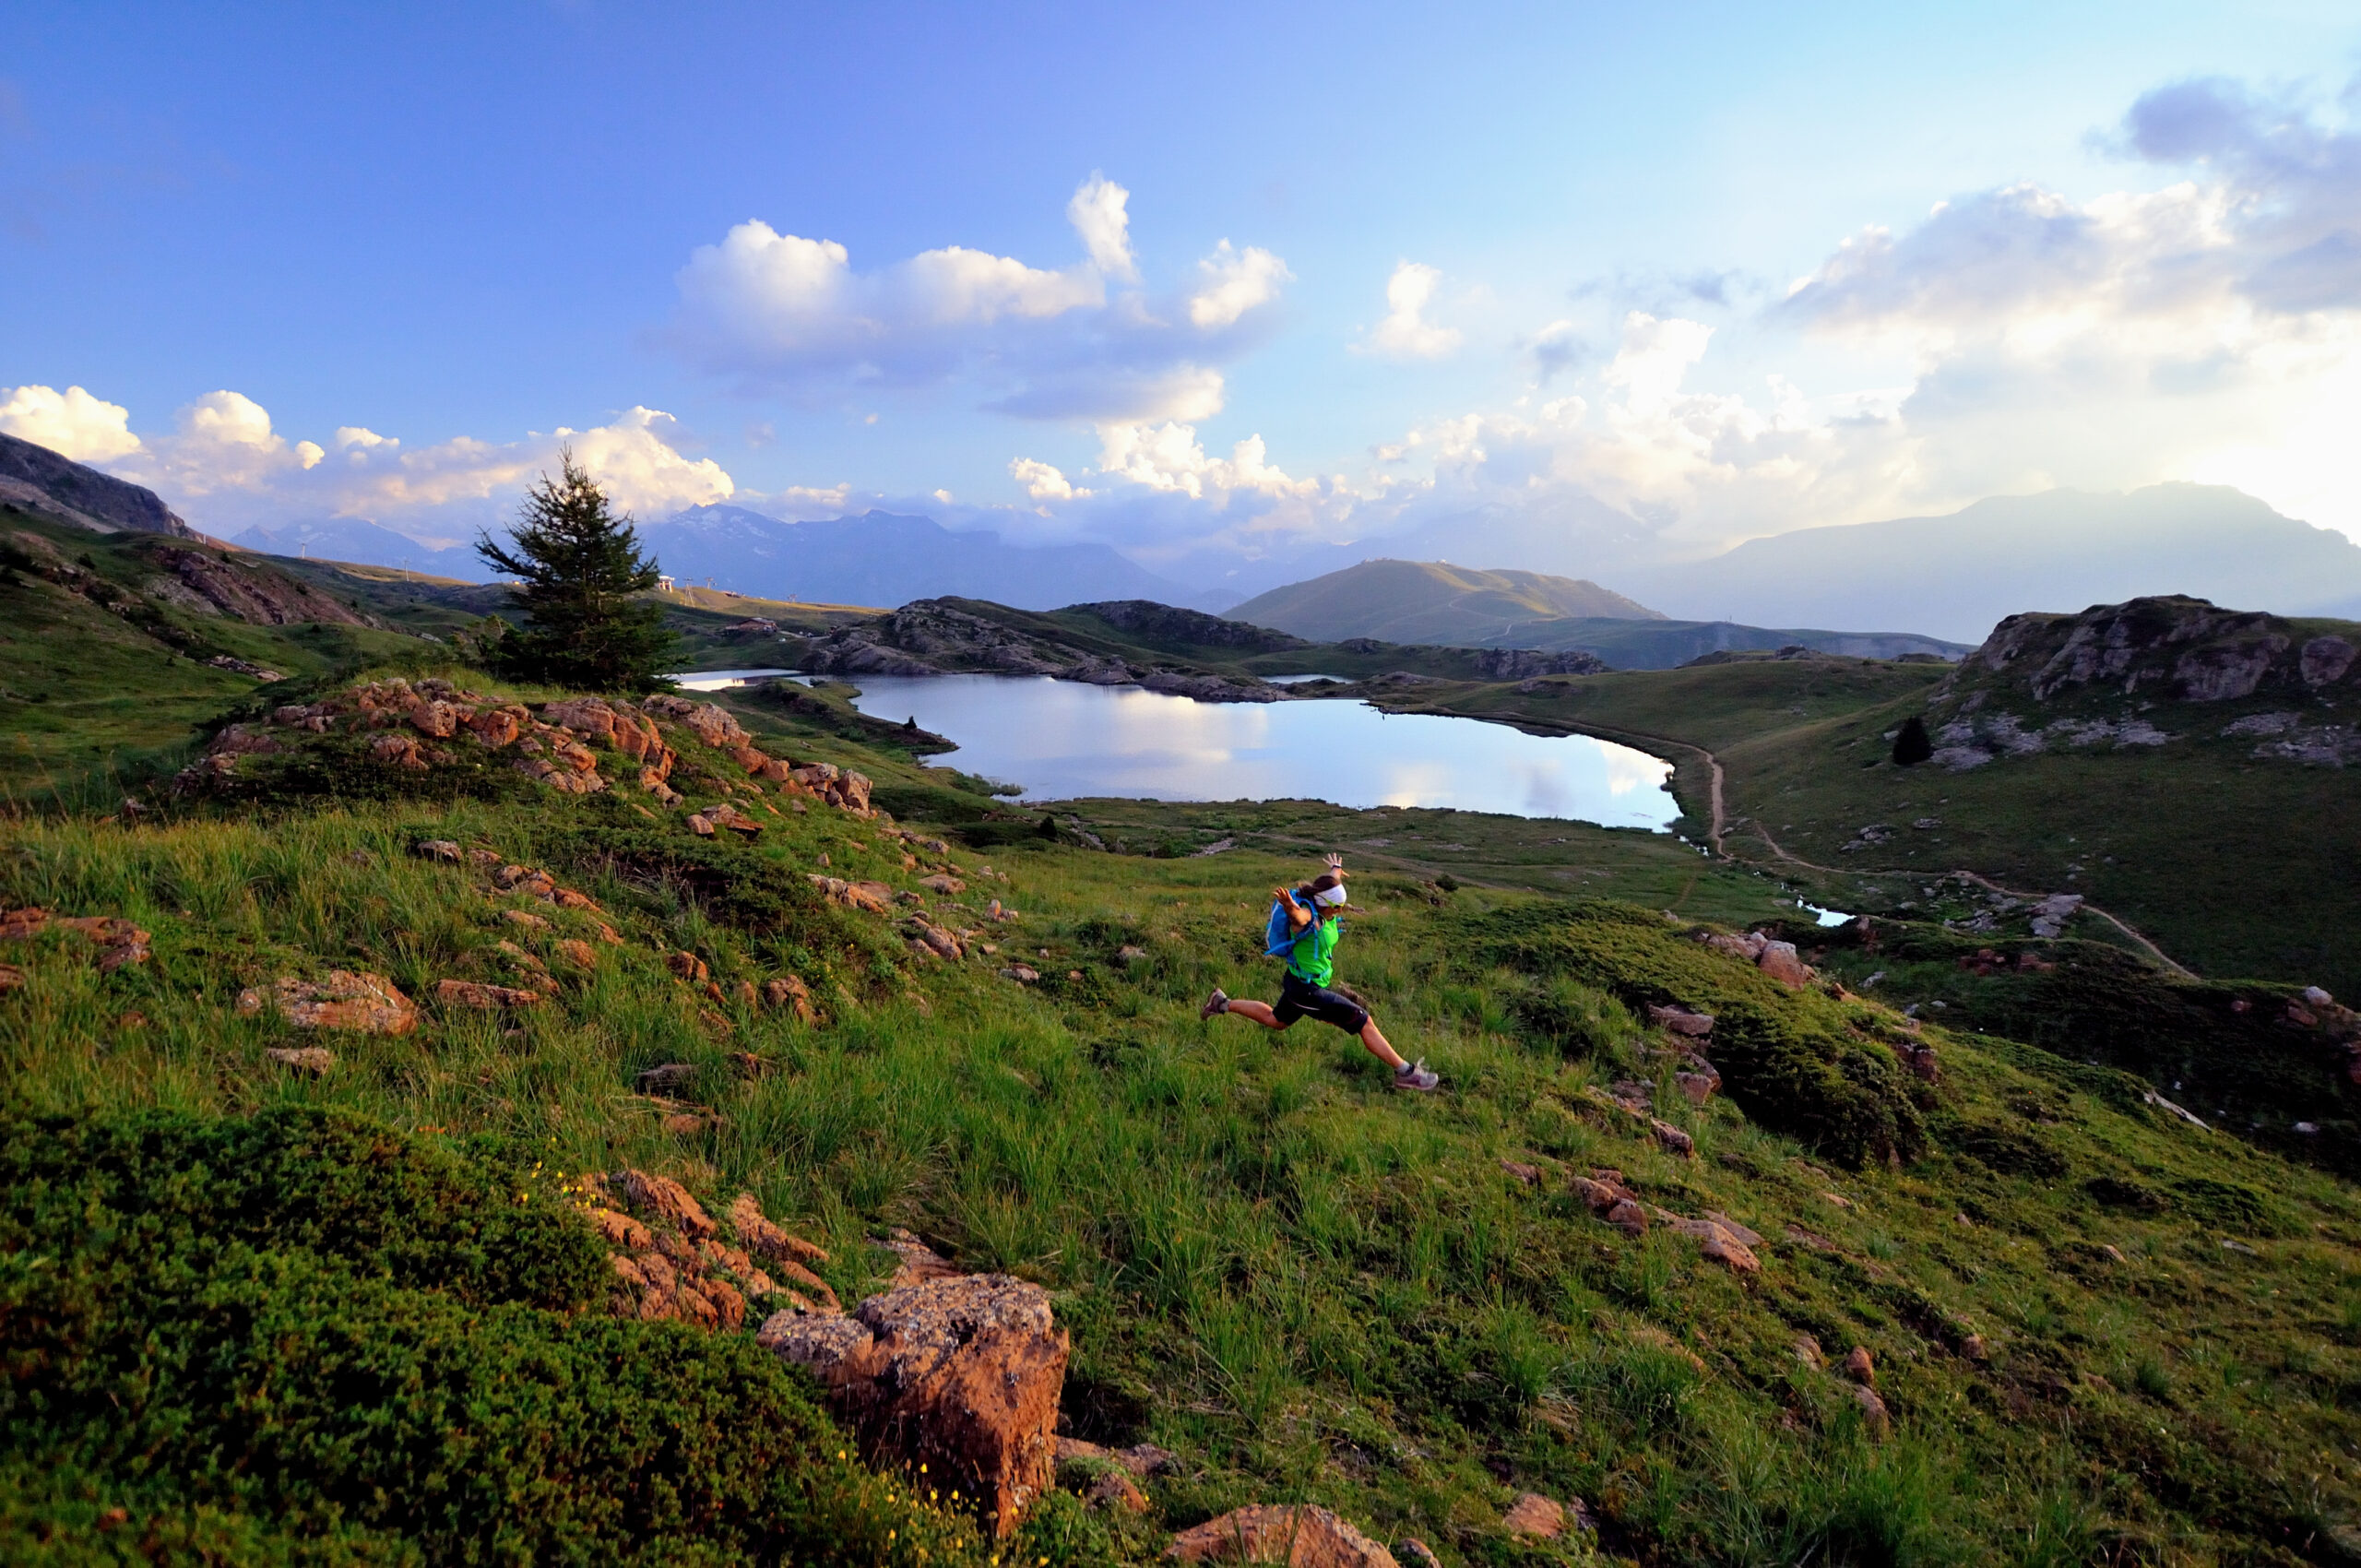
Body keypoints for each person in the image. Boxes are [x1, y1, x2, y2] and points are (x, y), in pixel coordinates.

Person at [1202, 852, 1441, 1092]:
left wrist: (1336, 869)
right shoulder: (1309, 919)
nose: (1340, 911)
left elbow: (1330, 883)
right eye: (1336, 907)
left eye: (1342, 906)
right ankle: (1406, 1073)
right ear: (1323, 904)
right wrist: (1289, 906)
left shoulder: (1325, 901)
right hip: (1308, 992)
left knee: (1276, 1020)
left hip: (1298, 984)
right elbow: (1299, 916)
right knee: (1364, 1021)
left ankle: (1222, 1003)